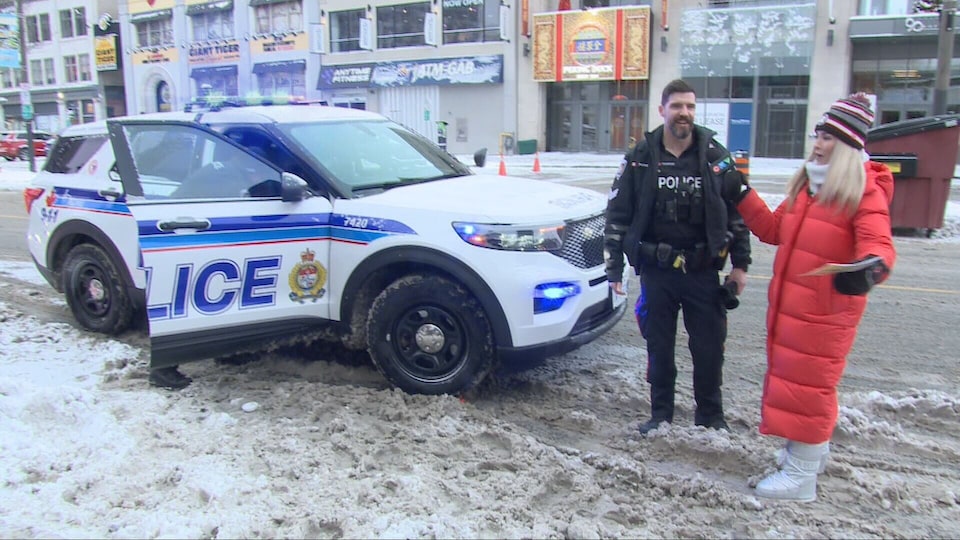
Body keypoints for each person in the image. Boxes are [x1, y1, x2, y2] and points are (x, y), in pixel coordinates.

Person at [724, 93, 896, 502]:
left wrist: (872, 267)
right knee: (798, 383)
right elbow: (773, 230)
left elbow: (879, 243)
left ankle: (802, 477)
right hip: (792, 310)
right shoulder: (809, 188)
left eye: (829, 138)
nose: (818, 144)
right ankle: (806, 456)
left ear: (850, 146)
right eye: (818, 134)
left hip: (824, 313)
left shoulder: (864, 190)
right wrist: (741, 192)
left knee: (811, 388)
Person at [604, 79, 752, 435]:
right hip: (657, 273)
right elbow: (617, 216)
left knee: (709, 350)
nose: (684, 113)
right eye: (676, 106)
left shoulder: (716, 157)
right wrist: (613, 268)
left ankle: (711, 418)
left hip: (703, 272)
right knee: (659, 350)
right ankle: (661, 416)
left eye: (689, 106)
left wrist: (741, 265)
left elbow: (737, 212)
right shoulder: (640, 159)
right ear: (662, 111)